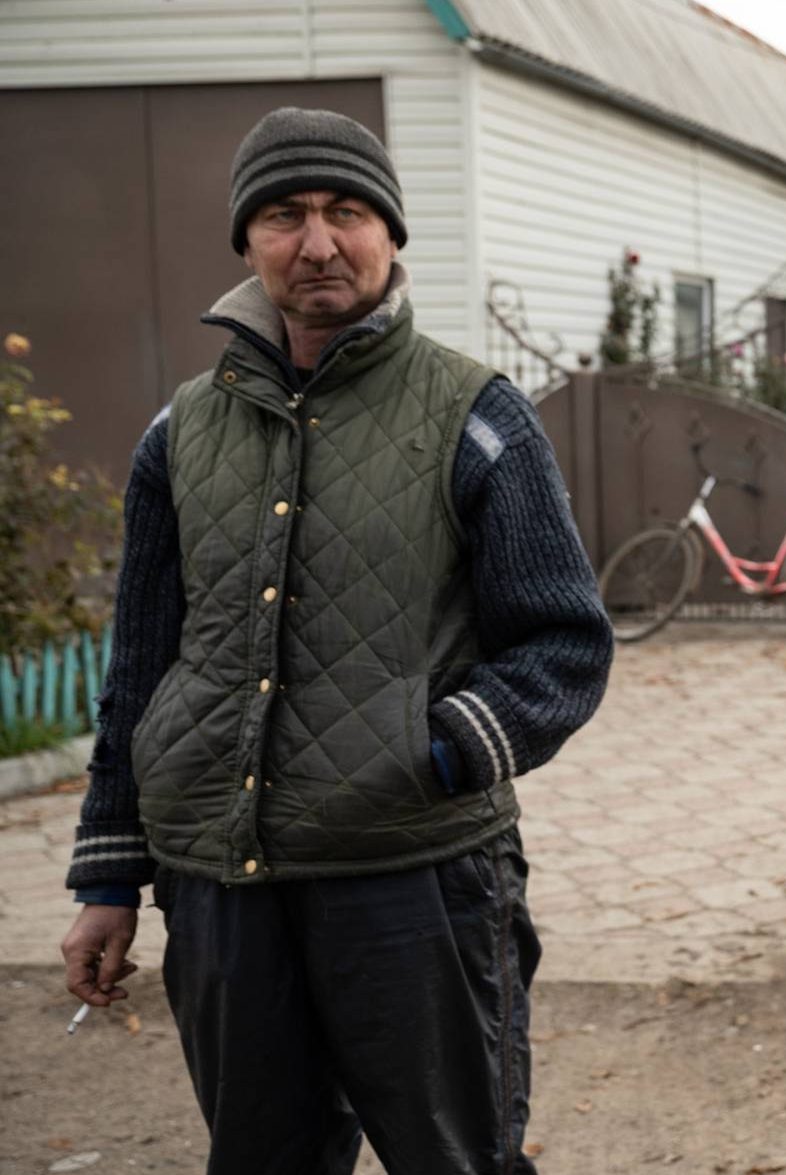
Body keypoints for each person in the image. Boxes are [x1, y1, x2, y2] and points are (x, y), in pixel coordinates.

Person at [57, 107, 612, 1174]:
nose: (318, 243)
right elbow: (138, 670)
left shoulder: (476, 415)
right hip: (222, 888)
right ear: (247, 241)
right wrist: (107, 880)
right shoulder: (180, 433)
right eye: (284, 215)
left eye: (346, 212)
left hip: (415, 879)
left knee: (458, 1159)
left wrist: (432, 749)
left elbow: (563, 645)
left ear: (391, 233)